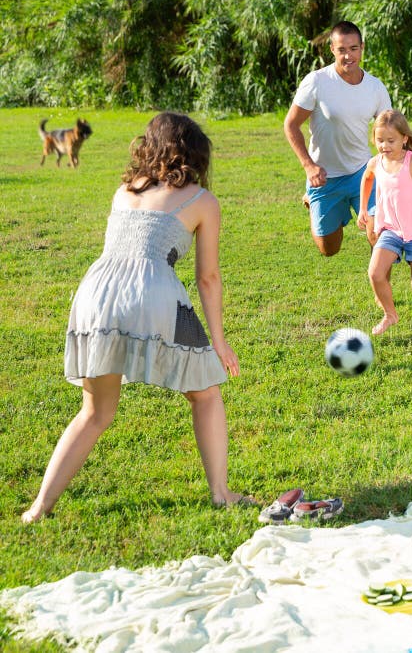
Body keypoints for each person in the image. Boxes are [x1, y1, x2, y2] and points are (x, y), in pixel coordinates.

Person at [22, 112, 253, 523]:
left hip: (96, 295)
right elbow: (208, 277)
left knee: (94, 412)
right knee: (206, 393)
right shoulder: (203, 200)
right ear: (196, 155)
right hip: (154, 295)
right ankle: (221, 492)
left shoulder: (123, 190)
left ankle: (39, 508)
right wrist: (219, 341)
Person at [284, 21, 392, 256]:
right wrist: (309, 166)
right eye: (342, 50)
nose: (348, 55)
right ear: (332, 49)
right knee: (329, 249)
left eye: (353, 48)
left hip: (363, 172)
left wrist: (399, 167)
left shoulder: (375, 87)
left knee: (380, 234)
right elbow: (291, 125)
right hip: (324, 177)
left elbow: (390, 130)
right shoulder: (317, 82)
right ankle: (315, 203)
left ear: (362, 48)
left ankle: (380, 293)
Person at [357, 110, 412, 347]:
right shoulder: (376, 162)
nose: (384, 146)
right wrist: (364, 209)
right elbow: (366, 179)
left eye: (391, 141)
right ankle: (390, 314)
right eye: (379, 140)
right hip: (390, 230)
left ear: (404, 138)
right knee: (375, 273)